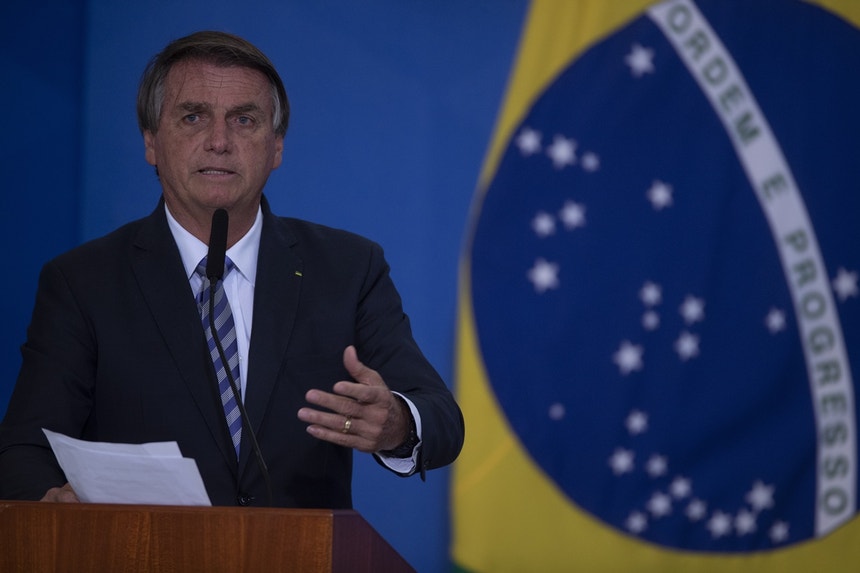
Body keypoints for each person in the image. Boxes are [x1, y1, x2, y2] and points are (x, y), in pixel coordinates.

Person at [0, 30, 464, 507]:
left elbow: (442, 419)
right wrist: (50, 501)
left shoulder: (348, 269)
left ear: (276, 147)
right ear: (151, 142)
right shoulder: (83, 282)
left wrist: (396, 423)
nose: (219, 141)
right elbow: (24, 449)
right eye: (193, 117)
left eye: (244, 120)